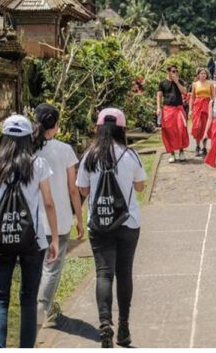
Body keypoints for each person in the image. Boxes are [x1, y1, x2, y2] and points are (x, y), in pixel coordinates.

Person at [0, 114, 59, 348]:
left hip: (0, 239)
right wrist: (54, 238)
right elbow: (49, 203)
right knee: (28, 300)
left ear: (3, 137)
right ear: (28, 138)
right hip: (32, 240)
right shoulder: (38, 164)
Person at [76, 108, 146, 348]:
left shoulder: (89, 156)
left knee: (104, 274)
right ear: (122, 129)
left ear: (99, 128)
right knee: (124, 273)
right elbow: (140, 187)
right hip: (127, 222)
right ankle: (124, 327)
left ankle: (104, 323)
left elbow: (83, 190)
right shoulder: (130, 155)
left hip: (99, 223)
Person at [33, 103, 84, 328]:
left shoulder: (28, 150)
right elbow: (73, 189)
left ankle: (44, 306)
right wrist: (79, 218)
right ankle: (42, 309)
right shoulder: (64, 150)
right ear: (56, 125)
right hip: (60, 220)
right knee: (52, 268)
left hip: (34, 221)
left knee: (39, 267)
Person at [157, 65, 190, 163]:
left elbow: (184, 92)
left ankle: (181, 151)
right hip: (168, 109)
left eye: (176, 71)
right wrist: (158, 108)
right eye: (173, 71)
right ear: (168, 72)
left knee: (181, 129)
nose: (175, 73)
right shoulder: (162, 83)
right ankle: (172, 153)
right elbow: (159, 96)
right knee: (169, 131)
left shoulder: (180, 81)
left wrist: (176, 81)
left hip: (179, 109)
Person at [190, 68, 215, 157]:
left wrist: (214, 107)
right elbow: (192, 97)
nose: (203, 75)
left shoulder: (210, 84)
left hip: (207, 105)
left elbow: (213, 97)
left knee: (205, 126)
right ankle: (197, 146)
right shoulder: (195, 84)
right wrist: (190, 109)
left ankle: (204, 147)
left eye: (204, 73)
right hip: (197, 106)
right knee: (197, 126)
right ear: (198, 75)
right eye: (201, 73)